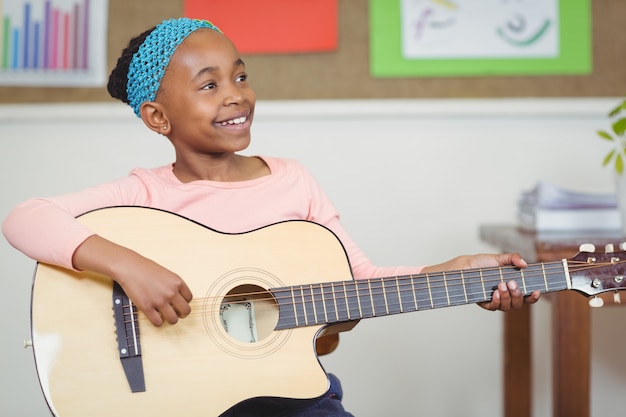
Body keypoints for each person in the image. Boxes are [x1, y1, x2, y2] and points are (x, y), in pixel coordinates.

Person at [2, 18, 540, 417]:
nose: (236, 96)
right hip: (181, 404)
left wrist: (461, 273)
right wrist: (127, 266)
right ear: (157, 117)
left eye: (240, 76)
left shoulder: (292, 180)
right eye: (209, 85)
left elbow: (358, 285)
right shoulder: (144, 194)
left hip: (294, 399)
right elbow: (26, 216)